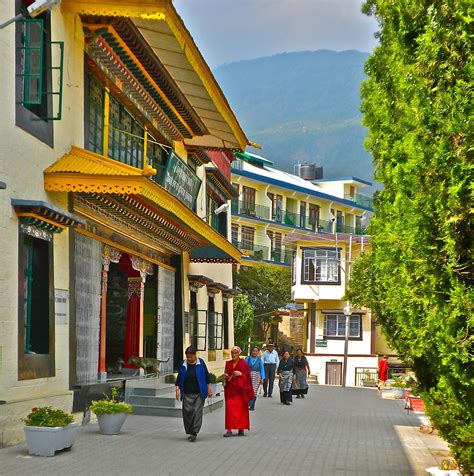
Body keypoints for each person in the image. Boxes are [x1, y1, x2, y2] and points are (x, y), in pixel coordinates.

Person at [175, 346, 212, 442]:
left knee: (197, 413)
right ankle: (190, 431)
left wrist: (209, 388)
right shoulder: (183, 364)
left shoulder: (201, 363)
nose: (189, 359)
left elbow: (207, 376)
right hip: (187, 393)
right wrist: (177, 390)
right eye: (188, 356)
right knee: (187, 413)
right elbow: (179, 378)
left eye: (191, 356)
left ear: (195, 355)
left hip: (199, 393)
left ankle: (194, 432)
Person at [223, 346, 254, 437]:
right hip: (230, 390)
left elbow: (248, 377)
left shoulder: (243, 363)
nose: (234, 355)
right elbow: (226, 374)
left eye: (236, 353)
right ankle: (229, 429)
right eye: (232, 353)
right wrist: (226, 376)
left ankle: (241, 428)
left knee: (241, 411)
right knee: (229, 410)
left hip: (240, 391)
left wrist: (241, 374)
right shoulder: (228, 363)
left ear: (239, 354)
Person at [245, 346, 265, 411]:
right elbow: (244, 367)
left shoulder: (260, 360)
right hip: (248, 376)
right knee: (248, 390)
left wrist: (262, 378)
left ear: (258, 352)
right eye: (253, 351)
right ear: (251, 351)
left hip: (257, 376)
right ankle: (248, 405)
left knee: (254, 391)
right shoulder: (247, 358)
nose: (254, 352)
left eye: (256, 351)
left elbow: (262, 369)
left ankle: (251, 405)